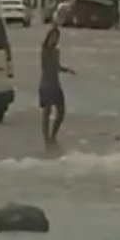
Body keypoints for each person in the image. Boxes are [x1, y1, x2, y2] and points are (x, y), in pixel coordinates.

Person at [39, 11, 76, 148]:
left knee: (61, 111)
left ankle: (53, 135)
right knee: (47, 111)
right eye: (53, 37)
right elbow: (46, 46)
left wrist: (67, 70)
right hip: (46, 84)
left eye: (57, 38)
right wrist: (55, 25)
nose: (55, 40)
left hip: (55, 84)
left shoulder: (56, 51)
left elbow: (57, 67)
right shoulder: (45, 50)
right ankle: (46, 137)